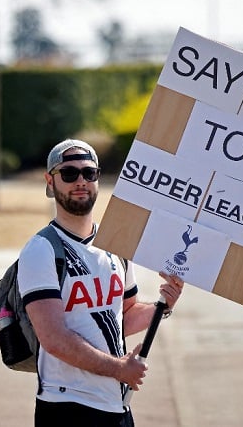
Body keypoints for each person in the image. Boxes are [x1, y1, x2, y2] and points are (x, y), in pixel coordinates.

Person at [18, 139, 184, 427]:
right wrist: (119, 369)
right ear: (50, 181)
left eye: (89, 172)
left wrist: (164, 304)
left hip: (115, 404)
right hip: (66, 407)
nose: (80, 181)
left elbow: (124, 316)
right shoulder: (40, 250)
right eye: (69, 174)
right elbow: (54, 339)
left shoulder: (115, 244)